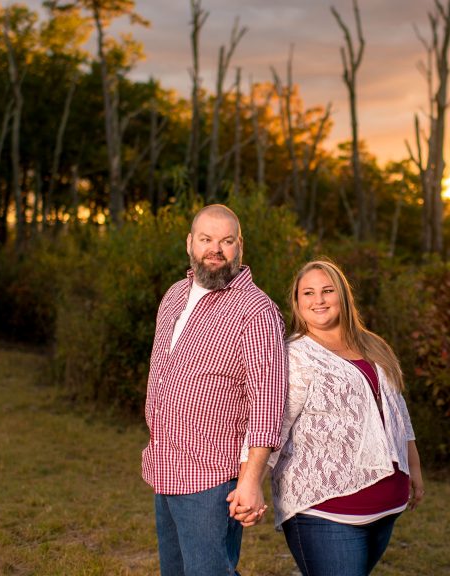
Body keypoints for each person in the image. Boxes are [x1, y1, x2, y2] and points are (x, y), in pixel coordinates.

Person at [141, 204, 287, 575]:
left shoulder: (256, 311)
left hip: (211, 478)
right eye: (206, 239)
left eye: (226, 241)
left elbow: (268, 404)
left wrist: (250, 480)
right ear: (190, 243)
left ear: (241, 246)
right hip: (166, 465)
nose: (215, 249)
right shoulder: (175, 294)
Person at [269, 259, 425, 576]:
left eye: (327, 290)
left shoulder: (374, 346)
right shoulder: (293, 355)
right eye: (308, 293)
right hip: (325, 510)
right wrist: (249, 483)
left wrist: (415, 470)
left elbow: (398, 414)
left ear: (342, 295)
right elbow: (274, 425)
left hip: (387, 506)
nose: (319, 300)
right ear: (297, 302)